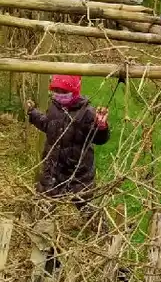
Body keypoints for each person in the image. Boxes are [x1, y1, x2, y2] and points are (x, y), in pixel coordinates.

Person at [25, 74, 110, 231]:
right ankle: (45, 243)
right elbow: (47, 125)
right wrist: (32, 113)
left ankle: (103, 235)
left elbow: (98, 139)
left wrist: (101, 126)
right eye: (56, 91)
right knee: (45, 206)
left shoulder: (87, 112)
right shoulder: (54, 107)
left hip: (77, 172)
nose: (59, 95)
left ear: (74, 91)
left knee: (86, 206)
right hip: (53, 170)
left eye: (63, 91)